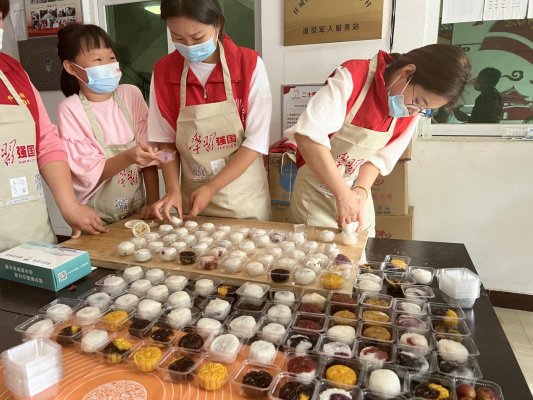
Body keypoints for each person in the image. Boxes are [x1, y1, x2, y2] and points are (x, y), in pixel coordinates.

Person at [285, 44, 471, 234]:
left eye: (424, 110)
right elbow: (308, 137)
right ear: (407, 72)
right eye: (417, 102)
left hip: (356, 191)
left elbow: (378, 158)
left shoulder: (411, 113)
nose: (413, 112)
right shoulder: (353, 76)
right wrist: (342, 194)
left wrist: (360, 191)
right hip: (314, 193)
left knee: (359, 253)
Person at [149, 0, 271, 221]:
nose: (189, 46)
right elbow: (165, 144)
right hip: (191, 199)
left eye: (197, 38)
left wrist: (212, 187)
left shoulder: (249, 64)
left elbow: (255, 142)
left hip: (243, 199)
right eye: (177, 38)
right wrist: (172, 190)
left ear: (217, 24)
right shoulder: (163, 71)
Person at [0, 1, 106, 251]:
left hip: (33, 240)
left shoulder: (13, 71)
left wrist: (69, 205)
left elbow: (45, 141)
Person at [56, 24, 161, 225]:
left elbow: (148, 157)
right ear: (71, 67)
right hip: (94, 218)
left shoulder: (130, 94)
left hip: (137, 212)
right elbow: (89, 173)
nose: (107, 64)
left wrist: (152, 200)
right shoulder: (70, 109)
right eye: (97, 59)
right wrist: (129, 155)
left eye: (111, 58)